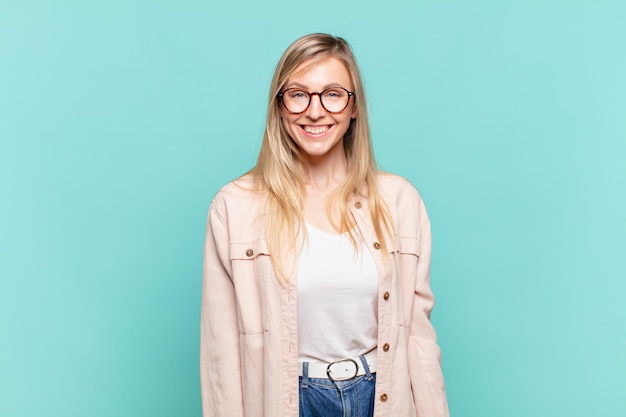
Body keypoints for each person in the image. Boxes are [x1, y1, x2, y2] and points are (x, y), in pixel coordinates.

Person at [200, 33, 449, 417]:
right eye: (298, 94)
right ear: (279, 106)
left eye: (333, 94)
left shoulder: (399, 201)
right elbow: (222, 352)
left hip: (381, 397)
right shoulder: (235, 206)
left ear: (354, 108)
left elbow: (418, 339)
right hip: (289, 400)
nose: (315, 111)